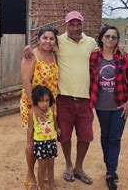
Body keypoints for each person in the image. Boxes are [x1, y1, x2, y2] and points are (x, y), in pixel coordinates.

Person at [25, 11, 98, 185]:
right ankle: (68, 165)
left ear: (82, 24)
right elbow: (43, 45)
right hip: (63, 99)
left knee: (85, 136)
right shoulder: (60, 42)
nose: (75, 27)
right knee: (63, 136)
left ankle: (79, 167)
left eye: (78, 24)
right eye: (71, 24)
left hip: (85, 99)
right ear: (66, 26)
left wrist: (118, 47)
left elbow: (104, 53)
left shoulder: (91, 42)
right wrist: (28, 47)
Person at [89, 25, 128, 190]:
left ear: (117, 40)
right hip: (101, 106)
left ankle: (111, 171)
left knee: (115, 137)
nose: (110, 39)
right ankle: (108, 163)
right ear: (101, 38)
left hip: (119, 105)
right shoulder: (93, 57)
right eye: (107, 36)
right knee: (105, 135)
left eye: (113, 37)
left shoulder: (124, 58)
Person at [20, 24, 59, 189]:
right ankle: (30, 173)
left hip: (50, 107)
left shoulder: (55, 56)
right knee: (33, 140)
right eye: (45, 38)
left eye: (51, 38)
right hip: (33, 105)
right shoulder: (31, 54)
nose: (48, 41)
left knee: (47, 138)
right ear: (38, 39)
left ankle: (44, 173)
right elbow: (25, 80)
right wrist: (34, 107)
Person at [26, 85, 59, 190]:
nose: (44, 103)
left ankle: (52, 185)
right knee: (41, 168)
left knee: (51, 166)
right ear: (35, 101)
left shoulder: (51, 110)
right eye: (41, 101)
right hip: (40, 144)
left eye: (47, 100)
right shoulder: (32, 113)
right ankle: (42, 187)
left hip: (51, 141)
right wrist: (29, 143)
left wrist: (57, 129)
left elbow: (54, 121)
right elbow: (30, 129)